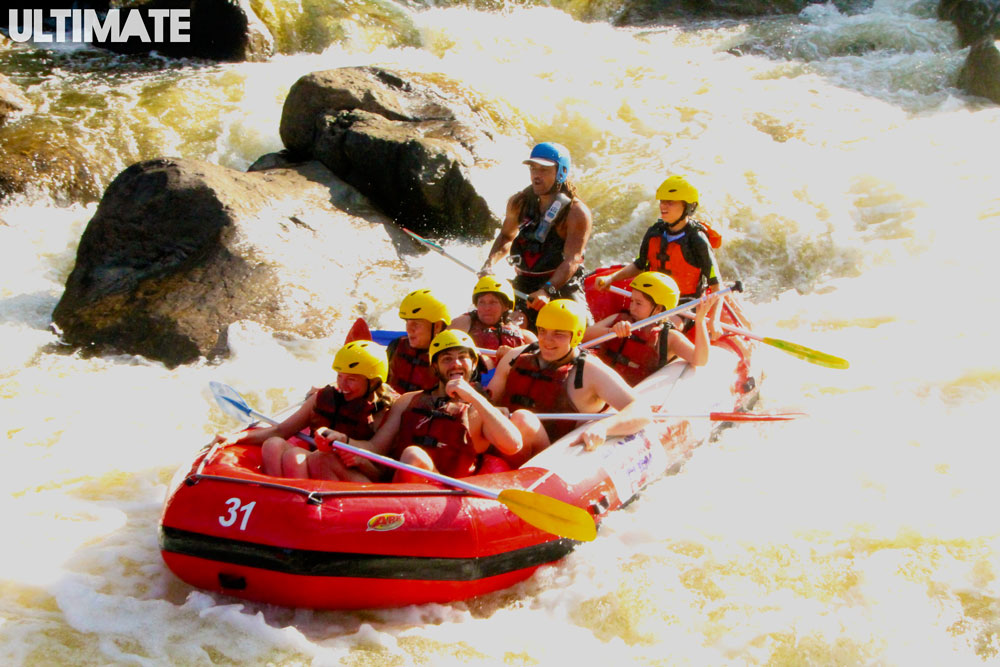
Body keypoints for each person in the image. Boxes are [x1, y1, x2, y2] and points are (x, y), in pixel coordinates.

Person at [321, 330, 523, 483]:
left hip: (446, 496)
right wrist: (344, 440)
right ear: (434, 367)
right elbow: (375, 448)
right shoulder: (408, 400)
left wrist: (471, 395)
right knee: (325, 460)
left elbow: (513, 445)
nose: (456, 364)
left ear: (473, 363)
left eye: (463, 357)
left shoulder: (479, 410)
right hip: (398, 488)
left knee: (413, 455)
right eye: (446, 359)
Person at [487, 299, 649, 463]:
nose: (547, 341)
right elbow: (489, 399)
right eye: (543, 331)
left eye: (558, 334)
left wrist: (604, 427)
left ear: (577, 335)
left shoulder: (590, 371)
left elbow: (641, 411)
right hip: (501, 443)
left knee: (523, 420)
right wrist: (493, 409)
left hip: (550, 458)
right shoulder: (515, 357)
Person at [214, 341, 394, 480]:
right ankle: (277, 498)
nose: (342, 385)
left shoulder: (385, 413)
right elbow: (281, 430)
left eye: (352, 379)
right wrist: (236, 437)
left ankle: (299, 505)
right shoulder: (324, 398)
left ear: (374, 382)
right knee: (273, 444)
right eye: (340, 376)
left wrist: (357, 457)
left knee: (309, 457)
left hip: (356, 478)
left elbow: (383, 473)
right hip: (315, 464)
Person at [477, 142, 593, 328]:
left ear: (561, 172)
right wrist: (488, 264)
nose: (536, 176)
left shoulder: (576, 213)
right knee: (499, 324)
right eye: (533, 169)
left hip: (561, 283)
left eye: (544, 170)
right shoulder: (518, 202)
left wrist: (547, 290)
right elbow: (507, 237)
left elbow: (572, 260)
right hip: (525, 281)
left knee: (582, 330)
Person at [594, 175, 723, 334]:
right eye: (662, 201)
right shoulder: (655, 231)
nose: (663, 206)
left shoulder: (697, 241)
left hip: (685, 303)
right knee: (621, 321)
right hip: (653, 298)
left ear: (688, 207)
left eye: (671, 202)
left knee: (661, 331)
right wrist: (611, 278)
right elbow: (640, 265)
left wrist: (715, 320)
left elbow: (717, 284)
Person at [584, 272, 719, 387]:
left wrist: (700, 321)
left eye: (639, 303)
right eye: (632, 301)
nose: (632, 307)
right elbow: (583, 336)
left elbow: (700, 360)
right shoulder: (618, 319)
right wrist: (611, 332)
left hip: (633, 390)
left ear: (659, 309)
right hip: (598, 382)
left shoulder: (669, 337)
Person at [450, 275, 536, 367]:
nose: (487, 308)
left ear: (506, 306)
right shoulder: (464, 322)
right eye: (482, 302)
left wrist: (515, 355)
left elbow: (541, 363)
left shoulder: (525, 336)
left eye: (493, 302)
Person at [386, 288, 451, 394]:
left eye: (416, 324)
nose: (408, 330)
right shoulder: (396, 345)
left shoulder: (452, 360)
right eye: (407, 323)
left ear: (437, 326)